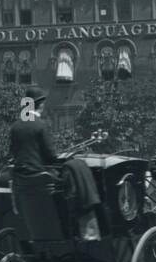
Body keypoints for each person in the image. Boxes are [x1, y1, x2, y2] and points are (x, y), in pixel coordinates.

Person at [8, 101, 101, 239]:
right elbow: (50, 157)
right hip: (42, 178)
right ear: (41, 106)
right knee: (77, 170)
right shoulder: (40, 125)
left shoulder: (15, 127)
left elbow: (13, 153)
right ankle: (86, 230)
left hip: (22, 179)